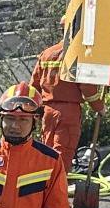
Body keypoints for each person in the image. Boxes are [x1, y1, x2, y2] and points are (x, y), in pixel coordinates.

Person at [29, 32, 101, 171]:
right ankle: (58, 188)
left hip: (47, 110)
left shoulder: (47, 53)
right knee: (63, 154)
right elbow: (86, 86)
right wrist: (99, 107)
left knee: (47, 152)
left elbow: (34, 87)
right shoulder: (77, 54)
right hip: (69, 111)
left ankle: (47, 186)